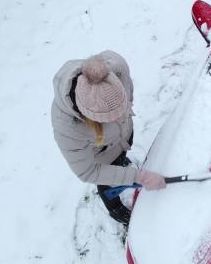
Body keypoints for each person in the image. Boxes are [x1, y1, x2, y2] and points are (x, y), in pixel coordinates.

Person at [51, 50, 166, 226]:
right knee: (107, 184)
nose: (118, 119)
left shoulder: (117, 67)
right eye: (107, 119)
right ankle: (115, 209)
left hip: (121, 138)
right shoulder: (67, 127)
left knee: (120, 161)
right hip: (102, 157)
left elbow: (129, 93)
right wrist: (139, 177)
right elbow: (88, 171)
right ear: (86, 115)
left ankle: (121, 162)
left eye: (121, 111)